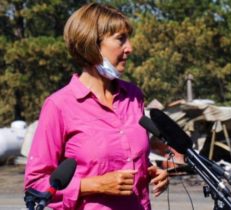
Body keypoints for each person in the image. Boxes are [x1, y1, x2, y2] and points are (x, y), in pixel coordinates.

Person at [24, 3, 168, 210]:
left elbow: (129, 160)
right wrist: (93, 185)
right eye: (121, 39)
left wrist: (152, 171)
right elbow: (34, 185)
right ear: (92, 44)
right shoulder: (59, 105)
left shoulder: (134, 96)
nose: (130, 48)